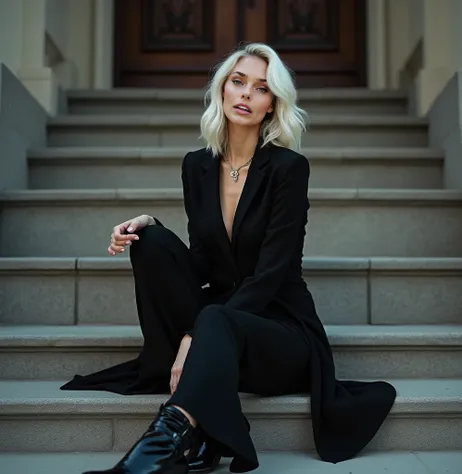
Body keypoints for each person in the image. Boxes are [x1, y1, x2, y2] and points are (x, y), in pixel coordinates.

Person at [61, 42, 396, 474]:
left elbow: (272, 274)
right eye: (238, 82)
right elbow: (202, 263)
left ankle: (157, 452)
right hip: (220, 326)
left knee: (215, 318)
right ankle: (189, 440)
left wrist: (192, 337)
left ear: (272, 104)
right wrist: (149, 225)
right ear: (222, 89)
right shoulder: (195, 166)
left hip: (278, 332)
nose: (246, 95)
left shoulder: (288, 169)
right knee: (151, 241)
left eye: (260, 88)